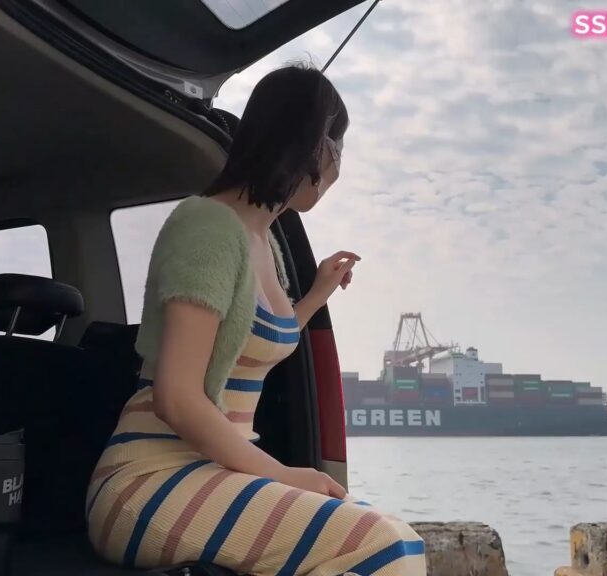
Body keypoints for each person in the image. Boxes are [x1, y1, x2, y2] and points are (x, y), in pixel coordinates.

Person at [86, 63, 427, 576]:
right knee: (386, 547)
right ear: (312, 143)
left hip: (214, 471)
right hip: (147, 478)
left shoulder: (263, 240)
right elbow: (176, 396)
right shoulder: (208, 226)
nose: (338, 164)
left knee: (400, 540)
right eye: (336, 145)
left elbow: (256, 337)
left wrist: (316, 294)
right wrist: (283, 474)